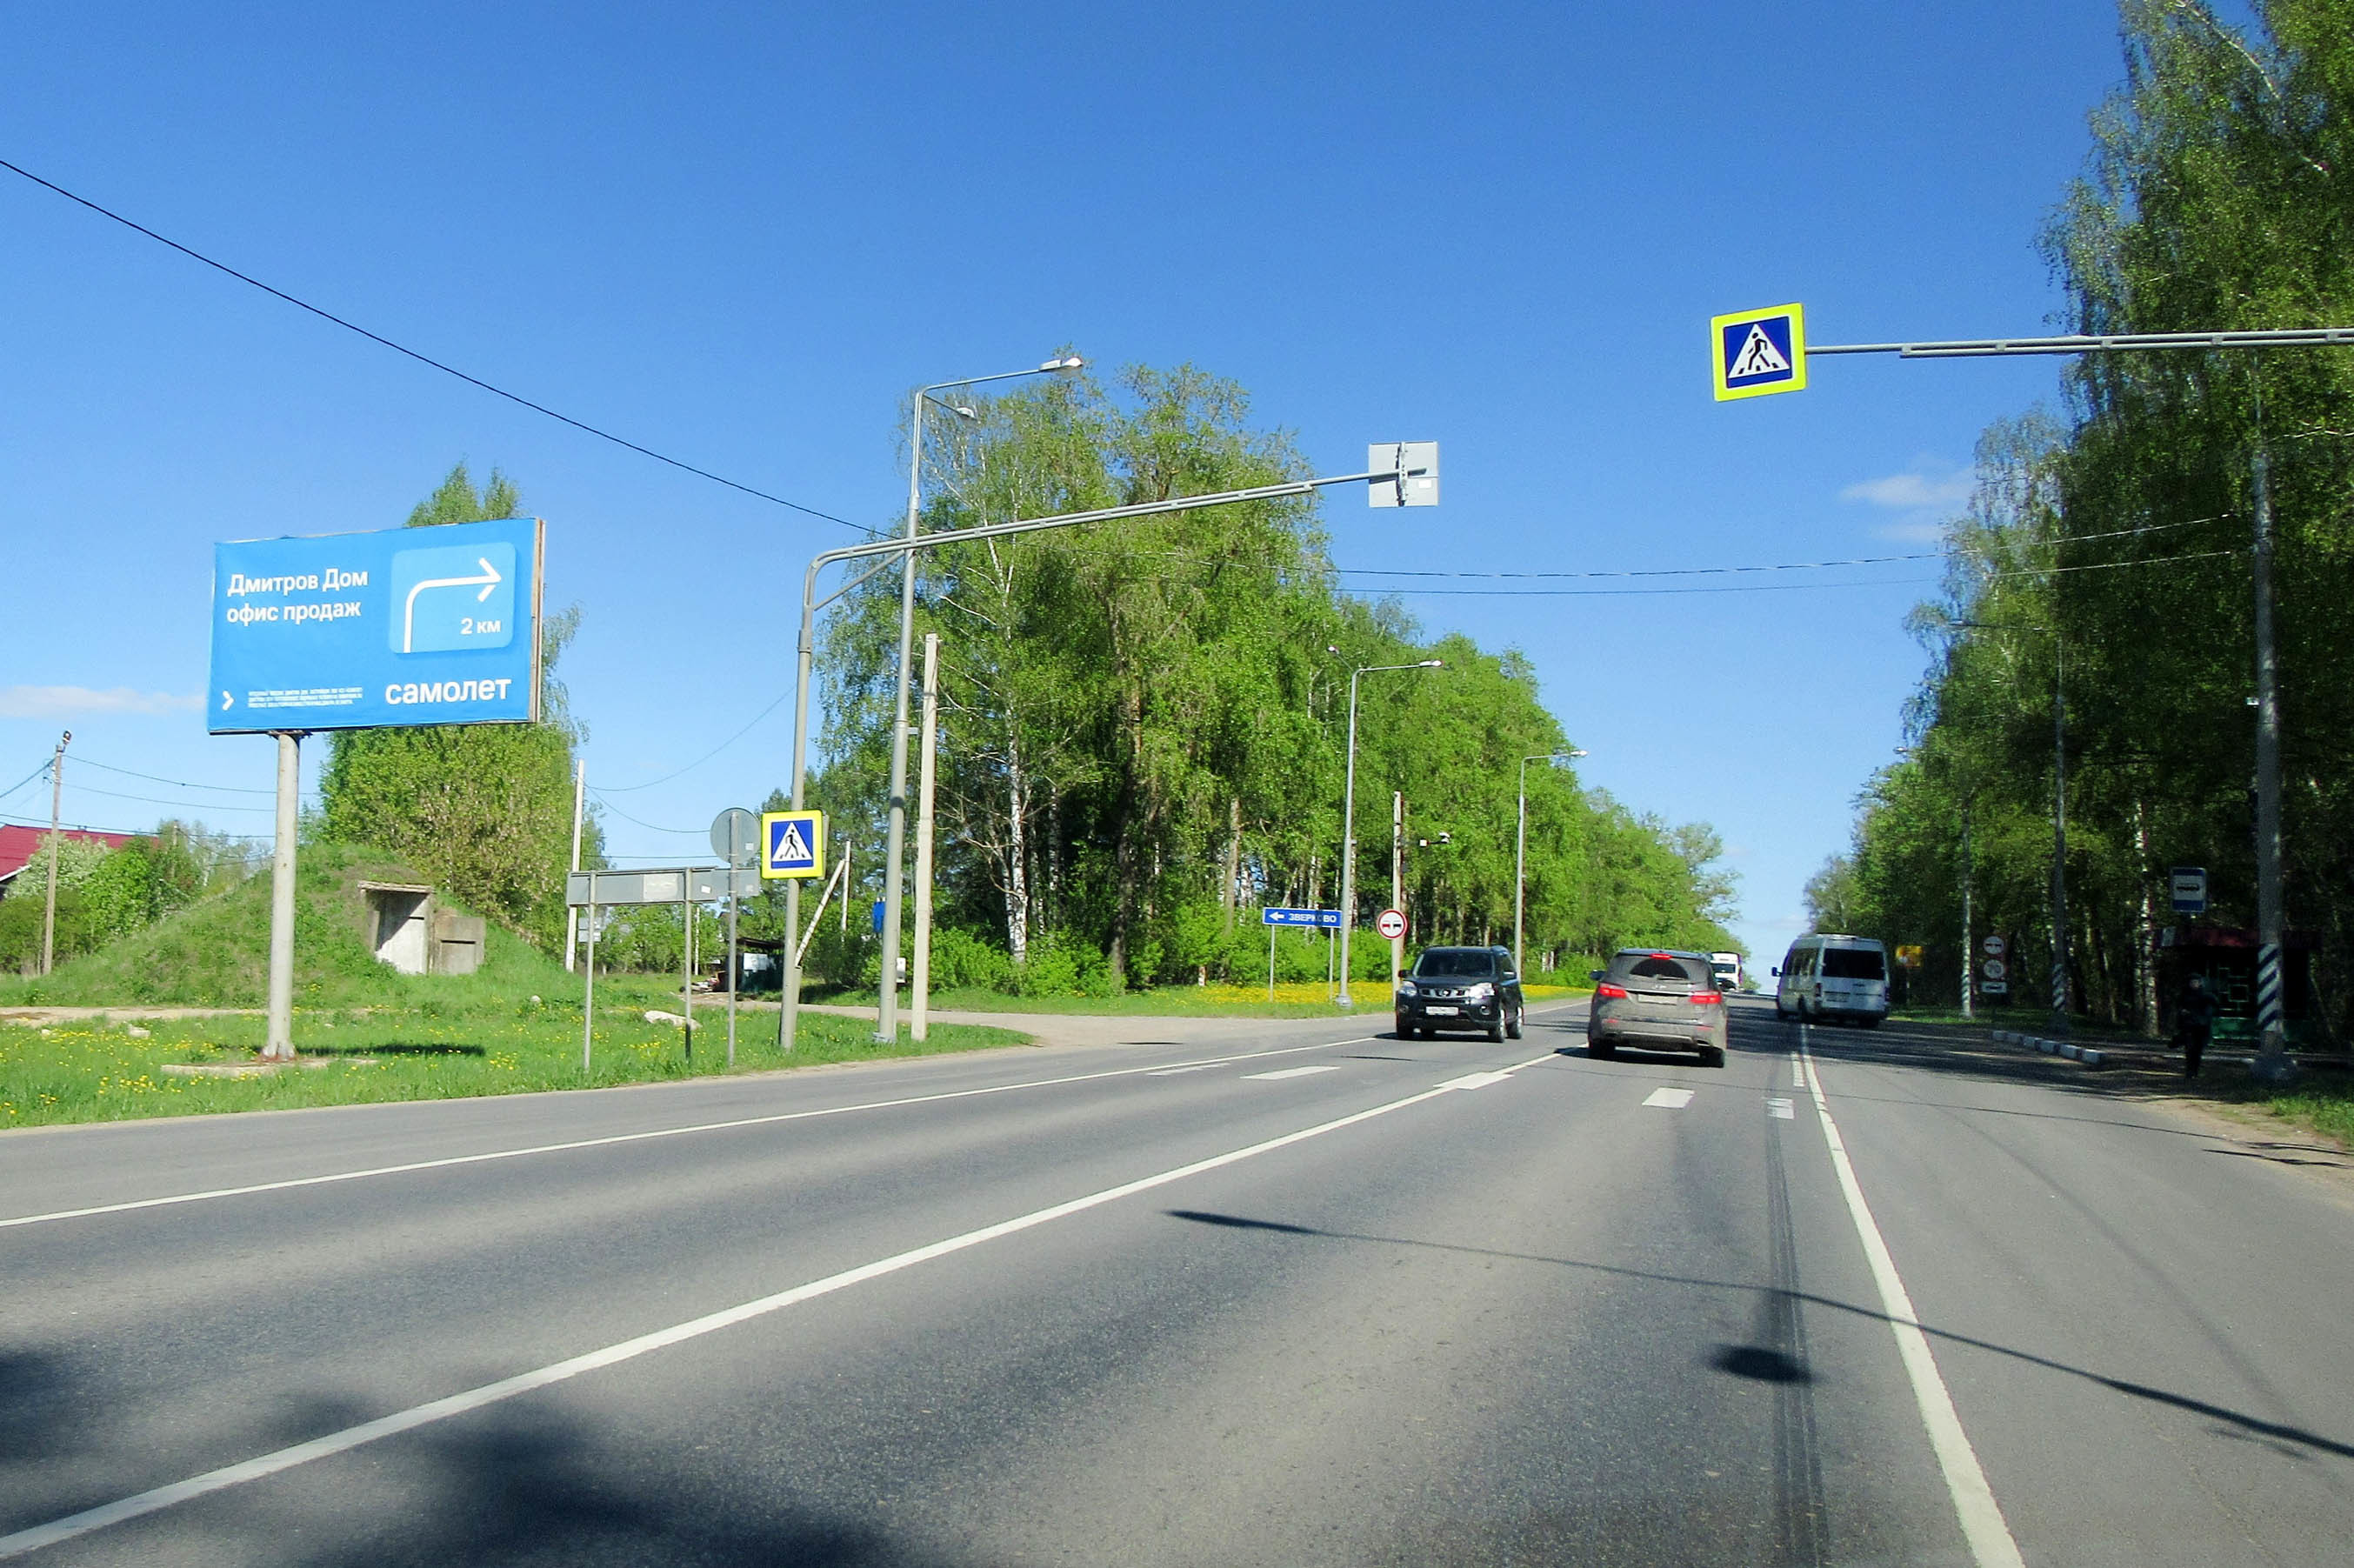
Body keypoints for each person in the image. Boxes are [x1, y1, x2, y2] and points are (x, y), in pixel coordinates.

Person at [2174, 973, 2218, 1080]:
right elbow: (2179, 1007)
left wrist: (2207, 1016)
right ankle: (2189, 1071)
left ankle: (2195, 1071)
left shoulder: (2206, 996)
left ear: (2200, 983)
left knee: (2198, 1050)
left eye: (2196, 982)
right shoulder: (2184, 995)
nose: (2194, 984)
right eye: (2192, 982)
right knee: (2189, 1049)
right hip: (2188, 1026)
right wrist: (2182, 1012)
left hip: (2201, 1027)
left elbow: (2215, 1006)